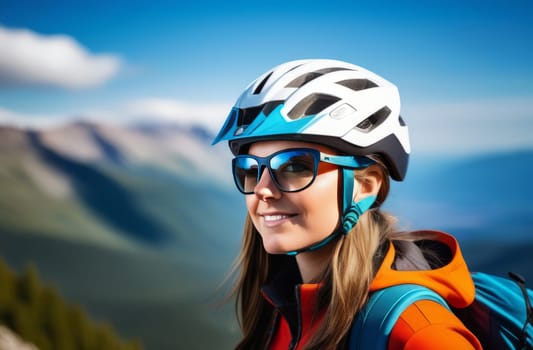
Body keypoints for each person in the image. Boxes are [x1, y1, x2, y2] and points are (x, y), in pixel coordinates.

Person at [213, 59, 482, 349]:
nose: (263, 190)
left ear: (365, 186)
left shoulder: (421, 335)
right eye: (251, 169)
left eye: (294, 167)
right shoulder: (283, 307)